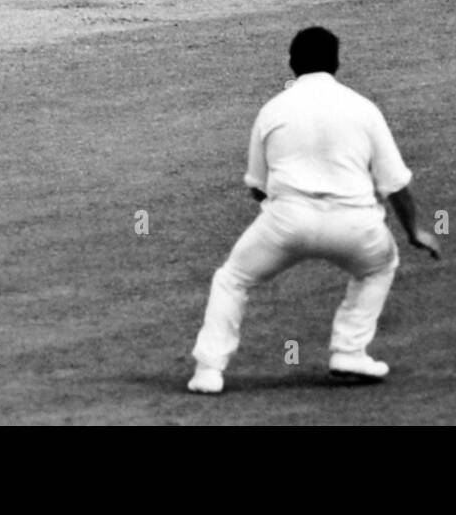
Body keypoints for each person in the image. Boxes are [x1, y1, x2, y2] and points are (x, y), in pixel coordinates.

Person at [188, 27, 442, 393]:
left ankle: (208, 371)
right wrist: (414, 231)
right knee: (380, 266)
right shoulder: (363, 108)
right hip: (356, 225)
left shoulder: (272, 109)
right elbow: (395, 185)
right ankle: (349, 352)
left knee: (232, 279)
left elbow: (256, 187)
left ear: (292, 64)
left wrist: (283, 224)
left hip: (286, 220)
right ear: (337, 64)